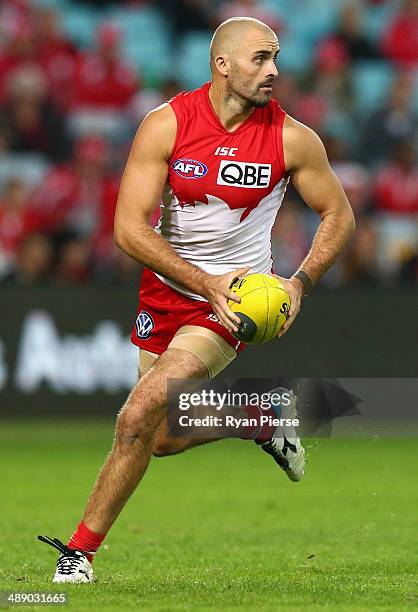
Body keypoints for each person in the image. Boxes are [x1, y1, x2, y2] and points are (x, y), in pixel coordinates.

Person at [38, 17, 355, 583]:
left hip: (232, 304)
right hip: (166, 292)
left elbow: (340, 214)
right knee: (158, 437)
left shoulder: (291, 138)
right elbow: (128, 230)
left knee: (135, 414)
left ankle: (77, 554)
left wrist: (298, 282)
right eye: (260, 58)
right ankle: (261, 416)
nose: (274, 70)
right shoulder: (166, 125)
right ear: (222, 65)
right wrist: (199, 280)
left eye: (276, 57)